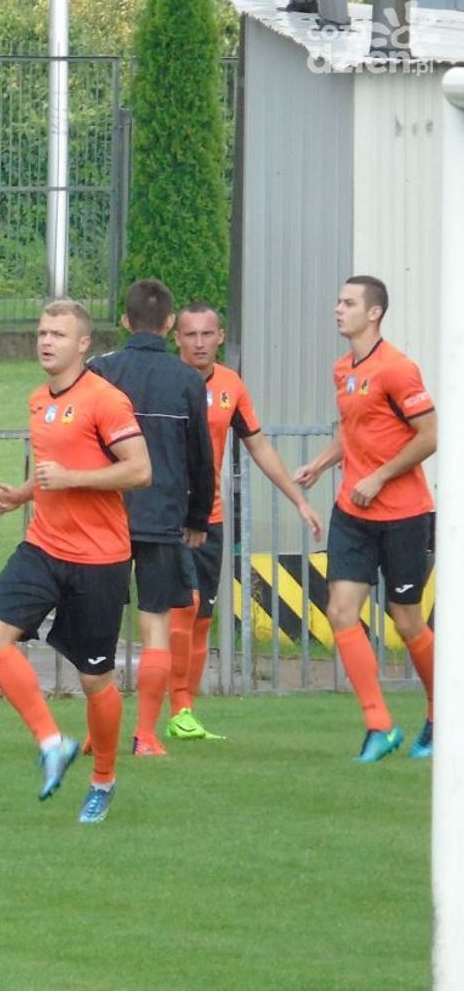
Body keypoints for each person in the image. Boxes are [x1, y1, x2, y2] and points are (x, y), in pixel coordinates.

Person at [0, 300, 151, 823]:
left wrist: (72, 481)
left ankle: (103, 781)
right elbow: (55, 468)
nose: (47, 341)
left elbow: (140, 470)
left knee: (95, 680)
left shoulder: (106, 400)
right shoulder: (38, 400)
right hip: (44, 548)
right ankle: (53, 742)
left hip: (100, 560)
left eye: (58, 334)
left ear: (83, 344)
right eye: (42, 332)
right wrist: (22, 494)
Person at [293, 275, 436, 761]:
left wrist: (380, 476)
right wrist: (320, 463)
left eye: (349, 302)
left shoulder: (398, 368)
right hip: (353, 512)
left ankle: (441, 713)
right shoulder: (343, 368)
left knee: (407, 620)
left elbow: (429, 435)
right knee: (340, 612)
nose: (338, 309)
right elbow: (353, 430)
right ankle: (380, 725)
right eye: (338, 301)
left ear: (374, 313)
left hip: (404, 514)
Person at [165, 303, 323, 741]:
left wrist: (299, 501)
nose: (199, 343)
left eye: (207, 334)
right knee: (181, 608)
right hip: (165, 519)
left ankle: (183, 712)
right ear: (177, 339)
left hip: (209, 519)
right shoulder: (165, 382)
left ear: (220, 337)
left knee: (201, 617)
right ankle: (162, 707)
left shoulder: (231, 386)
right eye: (190, 334)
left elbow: (260, 447)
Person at [87, 279, 214, 756]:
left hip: (107, 515)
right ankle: (145, 734)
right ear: (170, 324)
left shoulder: (101, 371)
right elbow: (201, 458)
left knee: (100, 626)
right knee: (155, 624)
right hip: (162, 517)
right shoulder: (187, 380)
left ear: (124, 321)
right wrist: (197, 517)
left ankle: (98, 731)